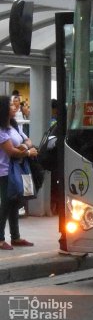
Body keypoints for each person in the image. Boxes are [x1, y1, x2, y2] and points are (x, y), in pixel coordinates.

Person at [0, 95, 38, 250]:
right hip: (4, 171)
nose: (14, 107)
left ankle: (15, 237)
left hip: (17, 170)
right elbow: (11, 151)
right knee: (6, 204)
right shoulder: (1, 130)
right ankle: (0, 239)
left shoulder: (14, 126)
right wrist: (28, 152)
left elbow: (28, 140)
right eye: (10, 105)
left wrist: (25, 146)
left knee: (15, 202)